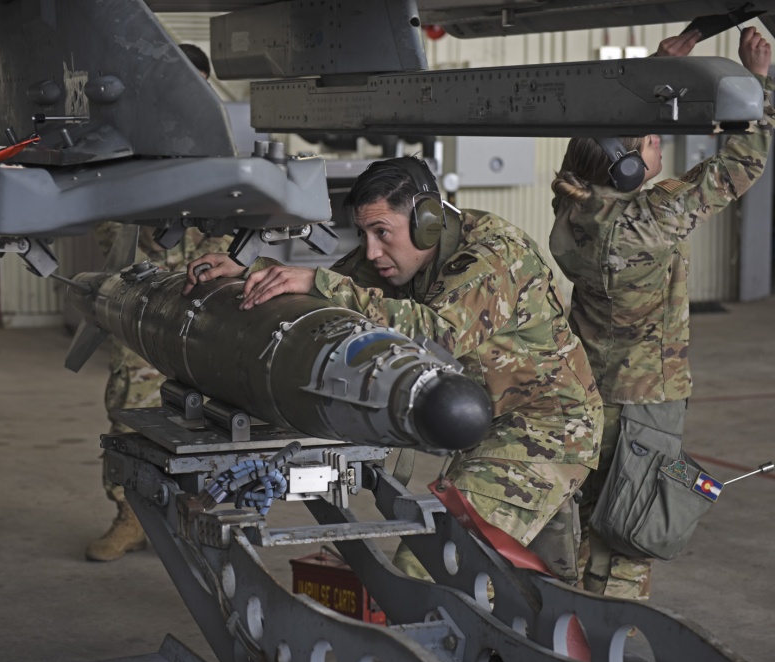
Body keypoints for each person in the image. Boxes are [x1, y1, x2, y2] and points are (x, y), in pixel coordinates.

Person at [184, 156, 603, 581]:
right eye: (364, 234)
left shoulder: (493, 256)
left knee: (435, 569)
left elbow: (437, 335)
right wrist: (251, 272)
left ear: (427, 222)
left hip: (544, 429)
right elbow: (329, 292)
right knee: (532, 584)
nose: (371, 250)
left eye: (382, 233)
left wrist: (322, 284)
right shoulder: (397, 256)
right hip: (480, 423)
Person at [549, 27, 773, 599]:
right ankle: (615, 633)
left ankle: (569, 628)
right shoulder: (653, 216)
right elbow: (742, 162)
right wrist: (758, 83)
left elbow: (595, 144)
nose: (660, 147)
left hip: (589, 391)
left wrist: (653, 70)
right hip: (648, 400)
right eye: (651, 141)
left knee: (589, 519)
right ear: (626, 166)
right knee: (633, 532)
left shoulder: (573, 209)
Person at [85, 43, 227, 562]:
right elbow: (105, 209)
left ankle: (199, 515)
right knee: (131, 406)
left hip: (210, 301)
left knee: (215, 415)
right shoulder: (128, 139)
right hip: (144, 296)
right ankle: (130, 515)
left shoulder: (222, 141)